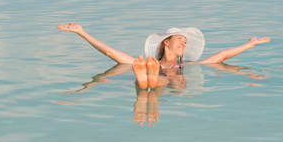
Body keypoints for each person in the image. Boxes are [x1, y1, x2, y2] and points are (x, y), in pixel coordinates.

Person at [56, 23, 270, 89]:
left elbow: (222, 55)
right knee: (156, 75)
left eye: (186, 42)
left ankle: (146, 81)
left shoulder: (188, 65)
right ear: (166, 42)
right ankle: (148, 81)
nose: (184, 43)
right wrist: (82, 33)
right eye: (180, 39)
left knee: (160, 78)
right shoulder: (152, 62)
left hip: (156, 74)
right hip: (154, 71)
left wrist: (250, 44)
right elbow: (110, 52)